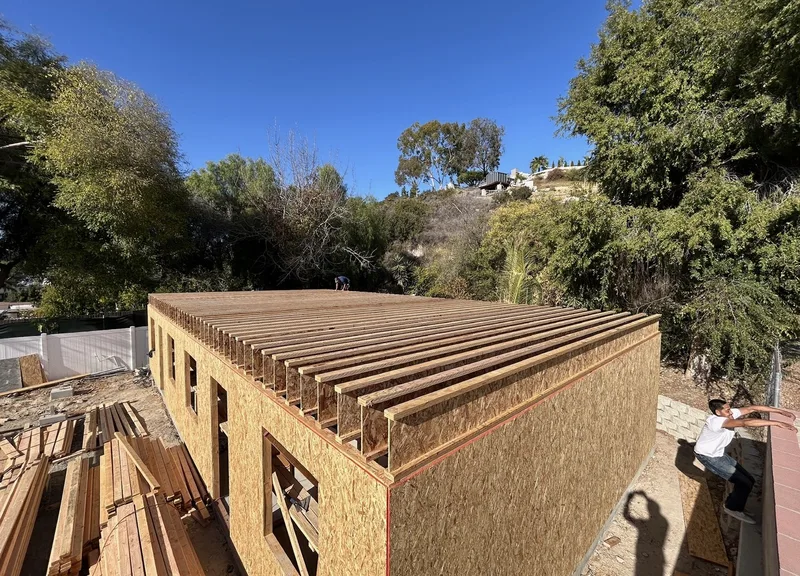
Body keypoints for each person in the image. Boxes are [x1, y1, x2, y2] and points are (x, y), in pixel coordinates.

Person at [694, 399, 796, 524]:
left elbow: (751, 408)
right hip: (707, 456)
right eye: (727, 410)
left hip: (718, 454)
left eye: (729, 408)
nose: (730, 411)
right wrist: (775, 423)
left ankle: (734, 503)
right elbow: (745, 423)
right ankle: (732, 508)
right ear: (718, 412)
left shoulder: (728, 414)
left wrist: (780, 411)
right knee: (743, 483)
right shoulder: (716, 422)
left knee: (750, 480)